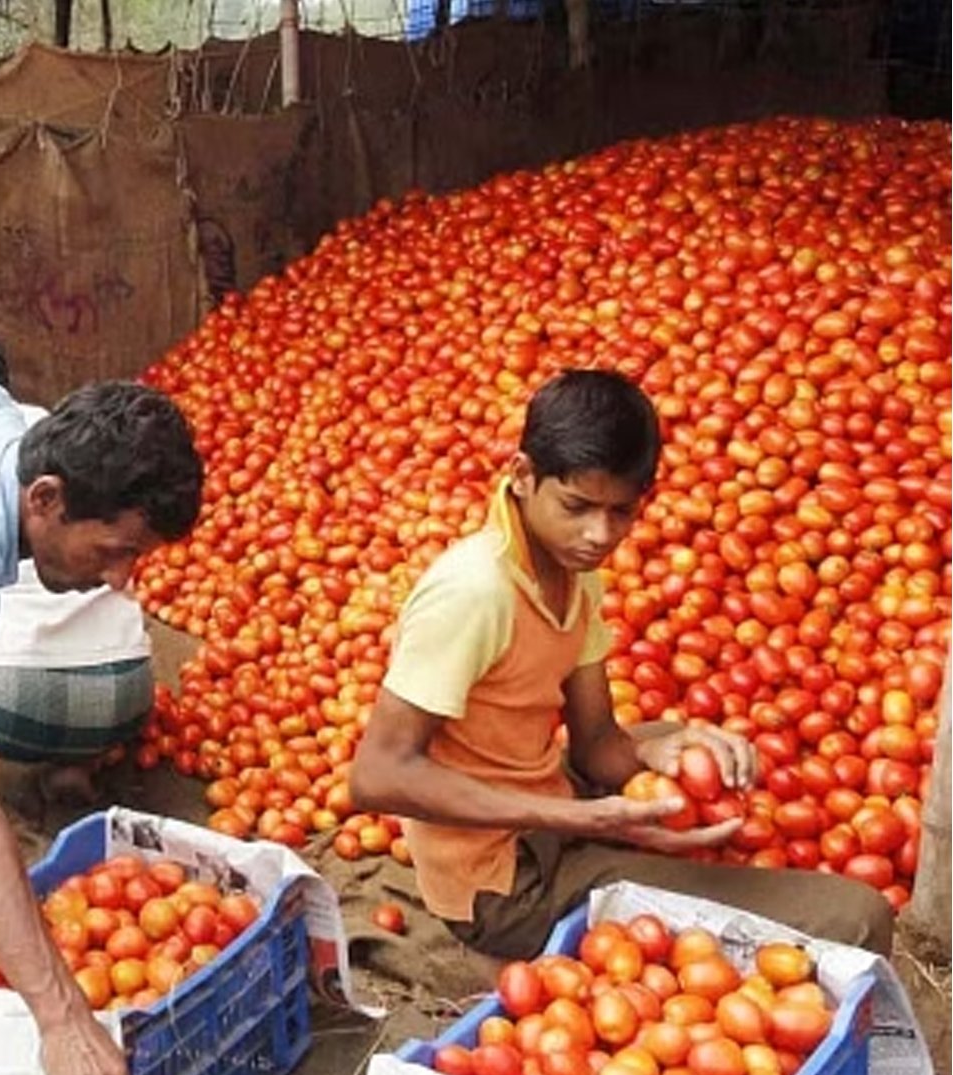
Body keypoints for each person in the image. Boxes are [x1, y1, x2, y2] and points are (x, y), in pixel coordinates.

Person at [348, 369, 895, 958]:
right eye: (577, 506)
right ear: (523, 477)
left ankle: (611, 827)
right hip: (503, 886)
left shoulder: (574, 572)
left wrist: (658, 754)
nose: (598, 534)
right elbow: (375, 775)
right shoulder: (474, 592)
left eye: (621, 512)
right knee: (858, 918)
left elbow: (596, 744)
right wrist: (578, 819)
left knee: (680, 739)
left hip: (544, 807)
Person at [0, 378, 204, 1075]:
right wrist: (63, 1017)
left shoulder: (5, 421)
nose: (119, 580)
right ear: (43, 499)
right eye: (111, 551)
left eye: (132, 557)